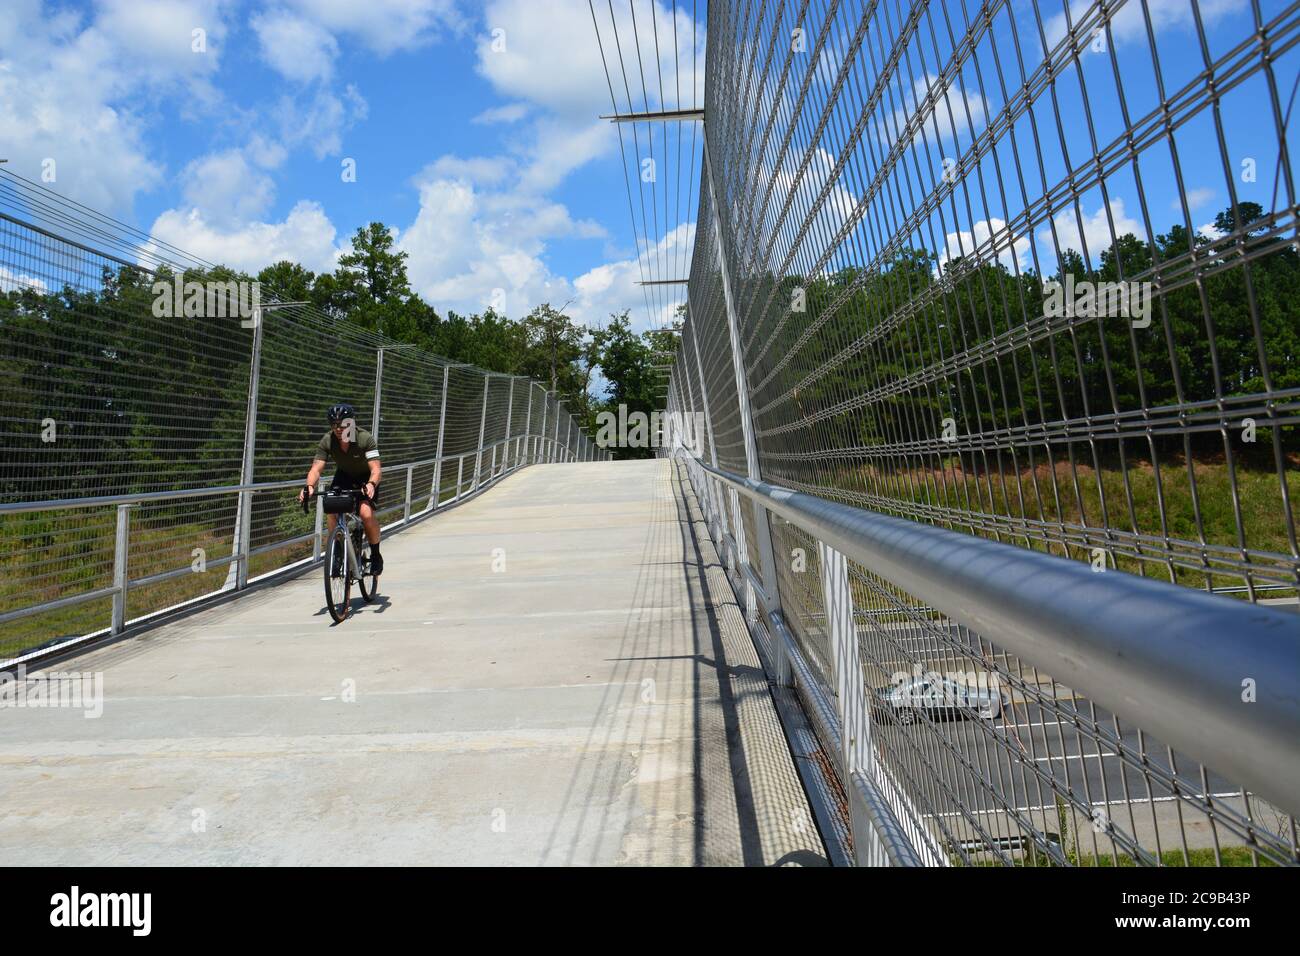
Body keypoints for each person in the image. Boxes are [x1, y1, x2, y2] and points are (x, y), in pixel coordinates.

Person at [298, 403, 383, 575]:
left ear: (351, 423)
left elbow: (376, 469)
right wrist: (309, 486)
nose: (338, 428)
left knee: (366, 513)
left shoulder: (364, 438)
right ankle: (337, 552)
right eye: (334, 424)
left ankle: (375, 555)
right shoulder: (327, 440)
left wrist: (371, 484)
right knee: (332, 510)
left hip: (365, 479)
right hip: (344, 477)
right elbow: (316, 469)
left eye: (343, 424)